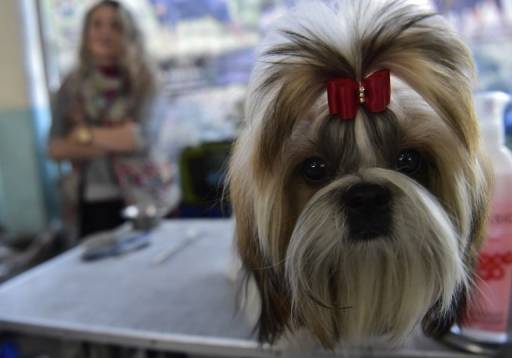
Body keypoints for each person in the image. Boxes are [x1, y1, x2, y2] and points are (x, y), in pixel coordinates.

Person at [48, 0, 170, 238]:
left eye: (115, 25)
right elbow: (55, 149)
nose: (105, 32)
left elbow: (139, 139)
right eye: (97, 25)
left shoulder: (146, 80)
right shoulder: (70, 87)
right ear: (86, 32)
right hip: (88, 202)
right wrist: (116, 138)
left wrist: (85, 135)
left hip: (143, 197)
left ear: (128, 33)